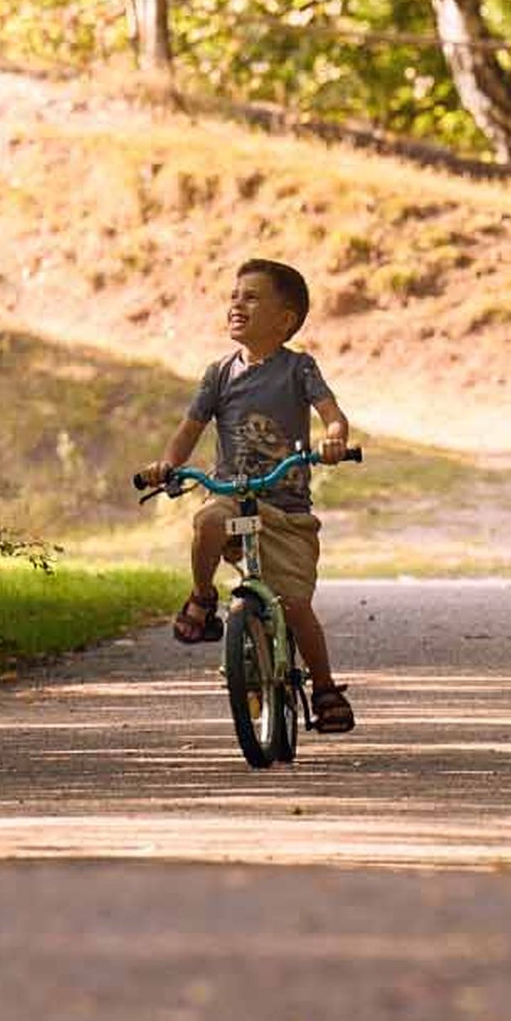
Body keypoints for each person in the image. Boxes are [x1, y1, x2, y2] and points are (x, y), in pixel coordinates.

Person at [146, 257, 360, 734]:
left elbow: (333, 414)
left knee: (295, 604)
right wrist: (167, 466)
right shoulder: (219, 374)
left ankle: (323, 687)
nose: (237, 303)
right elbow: (189, 430)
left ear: (284, 320)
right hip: (235, 499)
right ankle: (201, 599)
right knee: (206, 522)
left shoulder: (298, 369)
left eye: (252, 296)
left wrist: (334, 438)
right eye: (234, 295)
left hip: (285, 512)